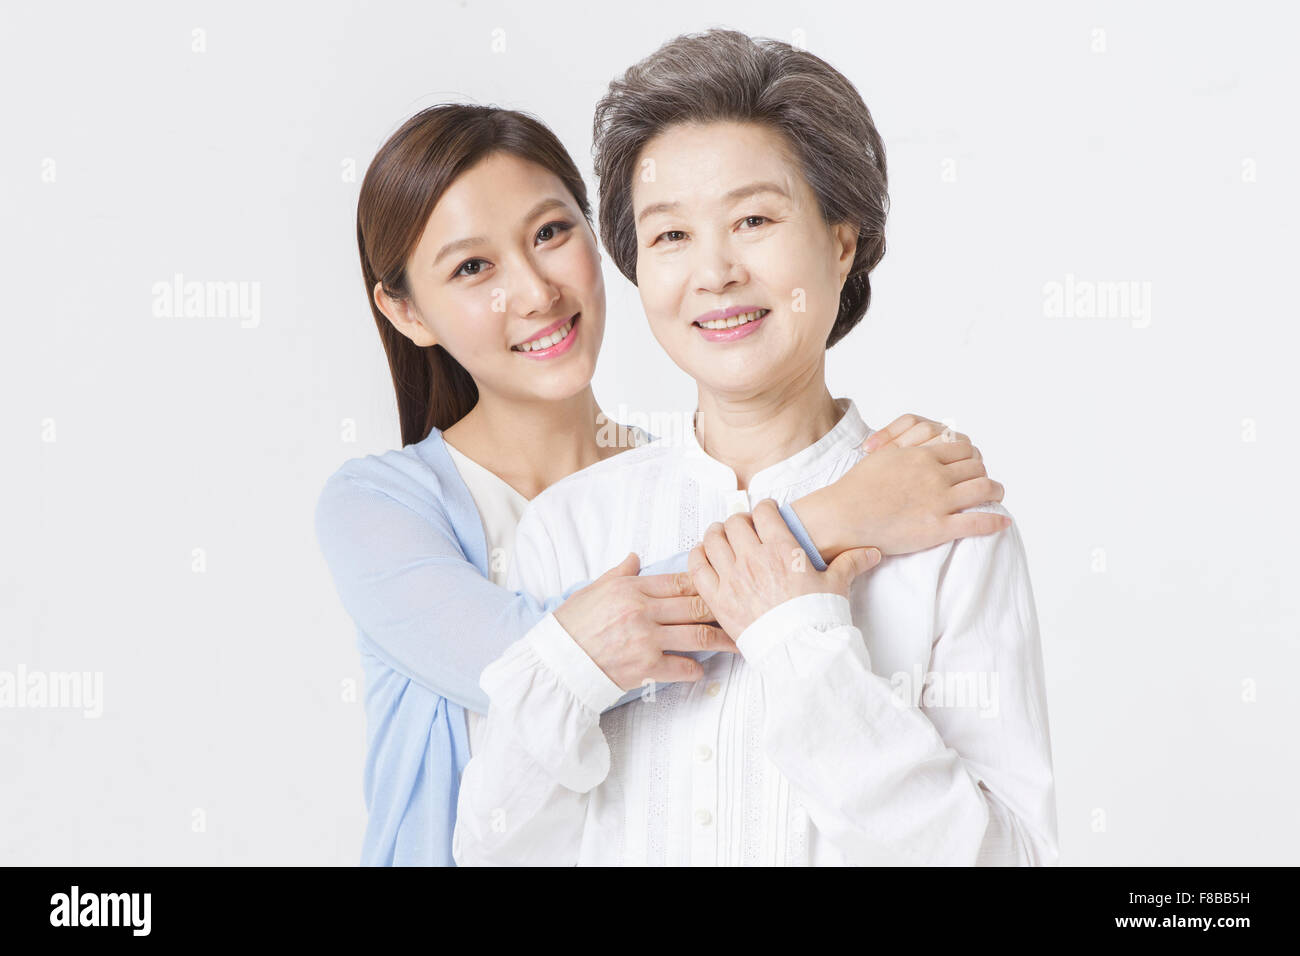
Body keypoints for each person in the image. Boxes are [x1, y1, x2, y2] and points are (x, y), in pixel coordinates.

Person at [316, 103, 1009, 866]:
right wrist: (839, 515)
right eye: (473, 267)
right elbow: (521, 667)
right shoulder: (380, 504)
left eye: (551, 233)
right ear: (406, 311)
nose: (537, 291)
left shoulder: (655, 491)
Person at [452, 30, 1057, 866]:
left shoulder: (948, 521)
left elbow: (1011, 859)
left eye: (754, 219)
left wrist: (800, 643)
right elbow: (495, 849)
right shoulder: (571, 528)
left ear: (841, 240)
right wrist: (571, 667)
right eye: (671, 236)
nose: (715, 271)